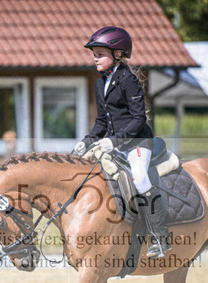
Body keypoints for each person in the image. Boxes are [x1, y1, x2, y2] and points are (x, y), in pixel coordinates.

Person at [73, 26, 171, 258]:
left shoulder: (129, 81)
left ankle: (160, 238)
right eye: (94, 54)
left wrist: (114, 141)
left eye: (100, 54)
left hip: (138, 143)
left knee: (140, 177)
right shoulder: (100, 84)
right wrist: (87, 141)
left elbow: (139, 119)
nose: (95, 58)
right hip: (115, 145)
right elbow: (101, 122)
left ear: (117, 54)